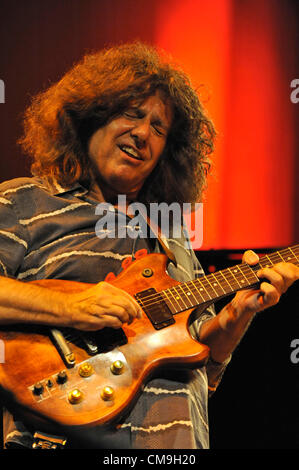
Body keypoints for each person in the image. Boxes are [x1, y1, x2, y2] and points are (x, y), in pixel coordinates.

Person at [0, 42, 298, 450]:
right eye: (131, 114)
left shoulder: (171, 237)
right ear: (91, 118)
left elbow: (205, 372)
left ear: (167, 154)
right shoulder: (21, 201)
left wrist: (235, 316)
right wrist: (70, 305)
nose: (143, 134)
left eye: (159, 129)